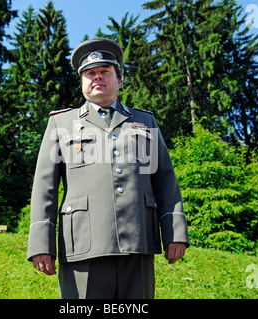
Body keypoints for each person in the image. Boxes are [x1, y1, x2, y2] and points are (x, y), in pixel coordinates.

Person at [27, 38, 189, 299]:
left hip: (138, 243)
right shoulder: (61, 123)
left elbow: (165, 180)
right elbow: (44, 187)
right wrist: (41, 243)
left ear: (120, 80)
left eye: (105, 72)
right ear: (82, 83)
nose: (97, 78)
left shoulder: (145, 121)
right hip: (82, 244)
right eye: (90, 73)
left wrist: (175, 232)